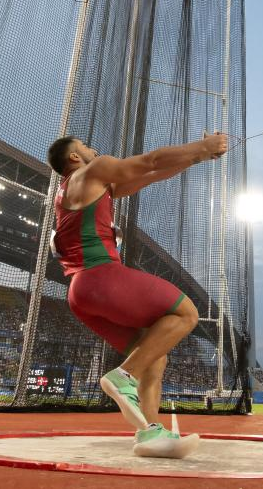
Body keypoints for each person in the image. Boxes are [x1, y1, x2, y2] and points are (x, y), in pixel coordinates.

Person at [46, 133, 226, 456]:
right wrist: (201, 146)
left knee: (154, 355)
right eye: (85, 146)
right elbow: (150, 160)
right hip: (100, 278)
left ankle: (149, 433)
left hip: (80, 294)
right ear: (74, 157)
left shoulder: (80, 189)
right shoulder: (93, 170)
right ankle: (123, 376)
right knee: (186, 313)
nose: (93, 149)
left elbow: (152, 174)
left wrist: (197, 157)